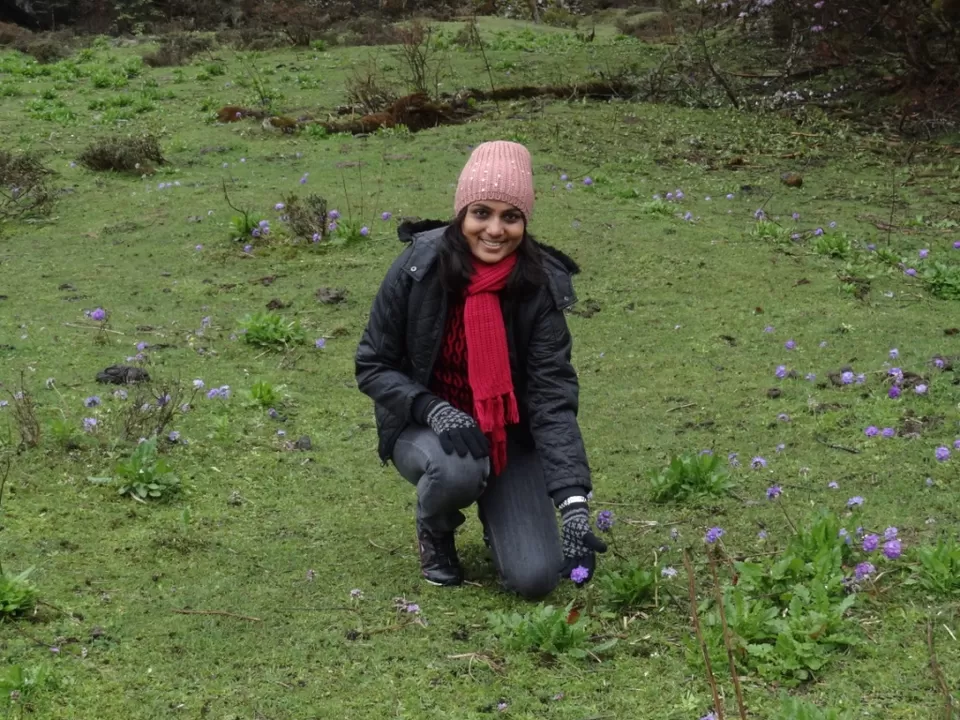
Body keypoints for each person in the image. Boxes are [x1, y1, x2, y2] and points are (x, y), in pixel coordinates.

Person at [355, 141, 606, 600]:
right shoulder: (418, 267)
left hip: (509, 436)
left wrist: (572, 503)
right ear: (461, 214)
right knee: (457, 469)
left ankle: (504, 516)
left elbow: (552, 398)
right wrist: (432, 409)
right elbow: (372, 364)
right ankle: (436, 530)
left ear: (525, 223)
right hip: (427, 429)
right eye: (481, 213)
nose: (494, 229)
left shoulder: (538, 286)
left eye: (510, 216)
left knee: (536, 579)